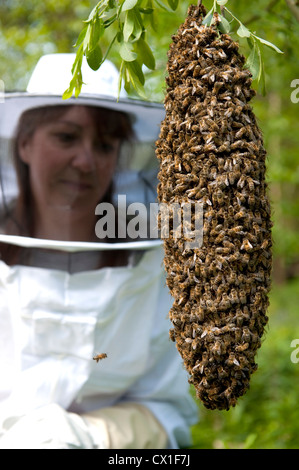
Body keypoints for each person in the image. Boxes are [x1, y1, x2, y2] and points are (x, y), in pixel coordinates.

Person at [0, 54, 198, 449]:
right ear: (24, 143)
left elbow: (168, 413)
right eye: (66, 137)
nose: (85, 161)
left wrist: (90, 436)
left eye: (105, 145)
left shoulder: (156, 267)